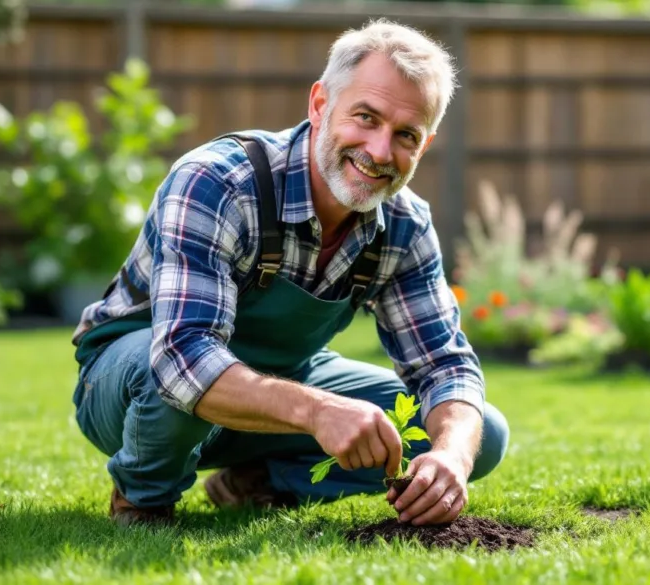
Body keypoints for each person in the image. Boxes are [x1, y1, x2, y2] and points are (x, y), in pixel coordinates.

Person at [70, 18, 509, 529]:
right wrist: (322, 412)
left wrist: (452, 457)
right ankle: (143, 497)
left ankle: (258, 482)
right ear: (320, 104)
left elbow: (445, 368)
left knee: (484, 436)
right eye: (366, 117)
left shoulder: (405, 227)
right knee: (168, 370)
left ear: (424, 145)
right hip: (130, 389)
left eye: (405, 135)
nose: (380, 152)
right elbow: (182, 357)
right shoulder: (218, 181)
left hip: (280, 388)